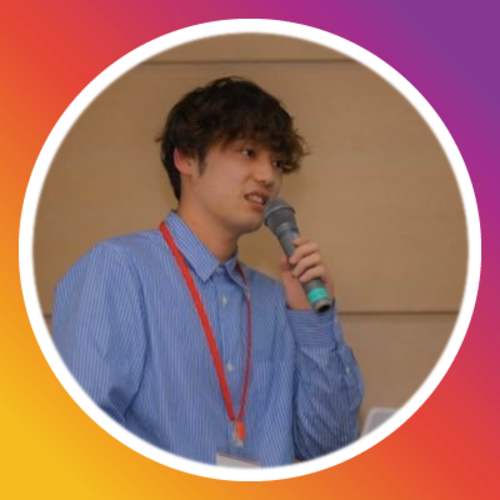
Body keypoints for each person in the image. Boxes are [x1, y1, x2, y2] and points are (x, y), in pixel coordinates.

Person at [52, 76, 364, 467]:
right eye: (248, 152)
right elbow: (79, 435)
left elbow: (330, 449)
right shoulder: (119, 270)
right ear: (185, 158)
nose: (268, 177)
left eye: (277, 162)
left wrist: (312, 323)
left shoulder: (278, 300)